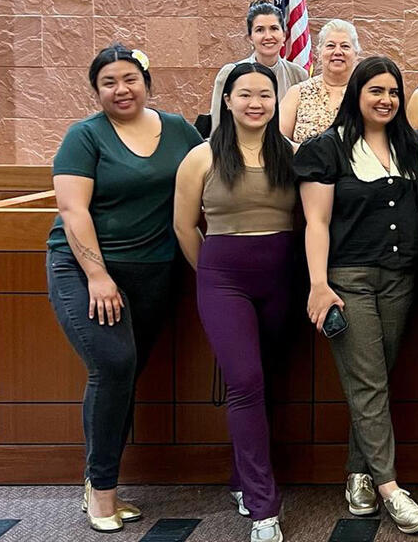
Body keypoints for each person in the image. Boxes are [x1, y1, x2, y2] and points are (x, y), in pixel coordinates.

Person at [45, 44, 202, 533]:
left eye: (129, 78)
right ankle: (101, 489)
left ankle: (100, 479)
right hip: (87, 271)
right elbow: (73, 212)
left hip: (156, 271)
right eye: (109, 81)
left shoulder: (179, 130)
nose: (121, 89)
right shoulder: (84, 136)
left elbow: (208, 181)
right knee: (113, 365)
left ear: (146, 82)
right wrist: (97, 276)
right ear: (96, 91)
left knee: (127, 371)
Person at [295, 57, 418, 536]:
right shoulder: (326, 149)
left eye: (393, 91)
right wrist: (318, 283)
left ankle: (358, 473)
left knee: (374, 377)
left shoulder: (413, 146)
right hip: (347, 279)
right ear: (356, 93)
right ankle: (390, 487)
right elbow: (316, 222)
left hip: (401, 278)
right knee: (369, 380)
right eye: (376, 90)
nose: (386, 100)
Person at [174, 63, 297, 542]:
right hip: (223, 281)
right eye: (244, 94)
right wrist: (207, 274)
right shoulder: (200, 158)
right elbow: (186, 226)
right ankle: (265, 507)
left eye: (264, 95)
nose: (255, 103)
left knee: (266, 381)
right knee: (245, 380)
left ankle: (241, 478)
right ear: (227, 100)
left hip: (282, 278)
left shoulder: (291, 154)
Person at [208, 0, 310, 131]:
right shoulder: (230, 73)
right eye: (260, 30)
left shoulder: (299, 75)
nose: (268, 36)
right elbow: (217, 126)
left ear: (284, 35)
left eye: (274, 28)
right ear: (250, 37)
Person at [279, 19, 360, 143]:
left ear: (355, 53)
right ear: (320, 52)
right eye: (330, 46)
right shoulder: (298, 93)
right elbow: (279, 140)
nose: (337, 52)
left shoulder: (365, 93)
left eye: (345, 46)